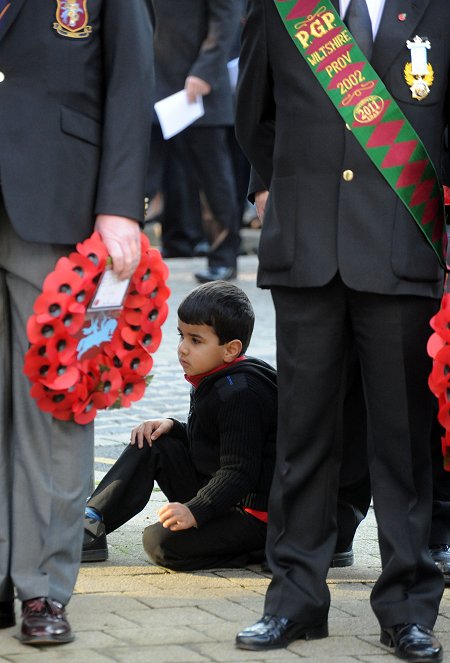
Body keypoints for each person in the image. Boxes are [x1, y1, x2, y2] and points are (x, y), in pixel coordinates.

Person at [234, 0, 448, 661]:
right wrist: (294, 192)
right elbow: (254, 116)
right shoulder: (286, 9)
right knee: (304, 438)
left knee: (404, 445)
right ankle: (295, 599)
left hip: (401, 247)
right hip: (308, 253)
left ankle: (408, 607)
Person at [0, 0, 153, 646]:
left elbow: (132, 75)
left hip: (59, 195)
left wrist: (120, 204)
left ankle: (42, 584)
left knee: (55, 405)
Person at [81, 281, 277, 570]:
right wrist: (172, 427)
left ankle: (264, 550)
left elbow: (240, 471)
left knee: (158, 542)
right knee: (153, 439)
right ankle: (91, 521)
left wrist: (195, 511)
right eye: (181, 336)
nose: (182, 349)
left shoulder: (240, 392)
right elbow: (215, 443)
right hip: (222, 495)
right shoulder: (213, 374)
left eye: (195, 340)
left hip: (252, 515)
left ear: (231, 349)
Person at [147, 0, 242, 283]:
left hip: (198, 86)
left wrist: (205, 70)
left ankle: (223, 257)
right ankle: (128, 252)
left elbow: (226, 18)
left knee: (213, 178)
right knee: (141, 173)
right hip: (152, 79)